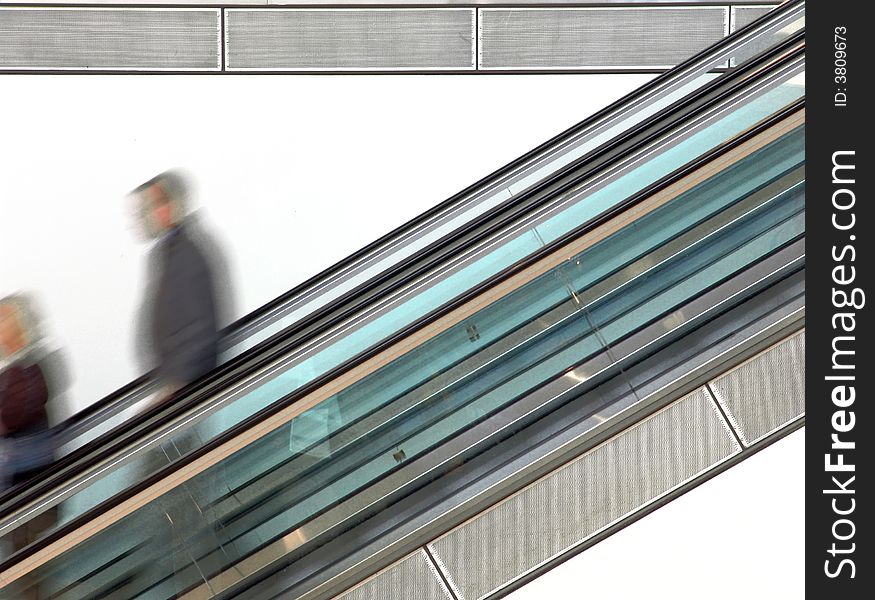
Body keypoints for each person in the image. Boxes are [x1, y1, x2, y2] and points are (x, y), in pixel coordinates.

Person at [132, 170, 224, 407]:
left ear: (172, 205)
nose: (145, 215)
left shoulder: (189, 253)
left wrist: (177, 386)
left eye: (151, 206)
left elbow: (199, 326)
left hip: (187, 392)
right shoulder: (166, 252)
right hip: (176, 386)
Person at [0, 294, 61, 599]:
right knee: (28, 581)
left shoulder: (33, 366)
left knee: (30, 580)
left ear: (20, 324)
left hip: (33, 494)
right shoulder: (12, 373)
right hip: (19, 498)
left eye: (3, 319)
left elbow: (14, 413)